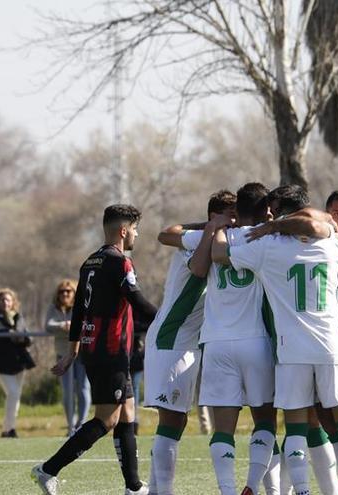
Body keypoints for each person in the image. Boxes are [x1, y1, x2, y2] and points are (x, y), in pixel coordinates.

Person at [214, 184, 338, 495]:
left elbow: (220, 255)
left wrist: (215, 228)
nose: (267, 213)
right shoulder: (330, 244)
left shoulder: (266, 245)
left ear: (281, 210)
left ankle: (303, 491)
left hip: (291, 348)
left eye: (272, 209)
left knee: (296, 426)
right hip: (331, 345)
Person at [33, 204, 158, 495]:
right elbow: (137, 302)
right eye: (135, 229)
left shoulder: (90, 262)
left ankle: (134, 486)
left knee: (127, 413)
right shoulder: (120, 262)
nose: (137, 235)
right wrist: (169, 320)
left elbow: (78, 311)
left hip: (95, 348)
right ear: (123, 230)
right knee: (107, 418)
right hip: (109, 350)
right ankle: (48, 469)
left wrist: (73, 351)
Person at [147, 190, 236, 495]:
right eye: (231, 215)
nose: (235, 221)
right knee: (171, 420)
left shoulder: (209, 235)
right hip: (172, 338)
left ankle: (157, 490)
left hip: (187, 341)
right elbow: (195, 265)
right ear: (216, 217)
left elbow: (170, 232)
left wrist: (211, 226)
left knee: (175, 421)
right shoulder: (202, 238)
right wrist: (210, 227)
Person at [0, 288, 35, 438]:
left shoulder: (18, 317)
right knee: (13, 393)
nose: (5, 302)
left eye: (8, 300)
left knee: (15, 396)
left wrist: (22, 338)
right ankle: (8, 428)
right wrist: (8, 333)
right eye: (2, 300)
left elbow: (27, 336)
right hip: (1, 362)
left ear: (13, 302)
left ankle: (9, 429)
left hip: (19, 361)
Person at [45, 279, 91, 437]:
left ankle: (81, 424)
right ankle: (70, 424)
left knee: (83, 388)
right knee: (67, 391)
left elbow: (87, 323)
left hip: (81, 353)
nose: (65, 294)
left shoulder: (81, 305)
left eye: (68, 291)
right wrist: (62, 326)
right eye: (61, 292)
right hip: (62, 354)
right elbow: (48, 325)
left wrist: (74, 325)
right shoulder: (54, 308)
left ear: (74, 293)